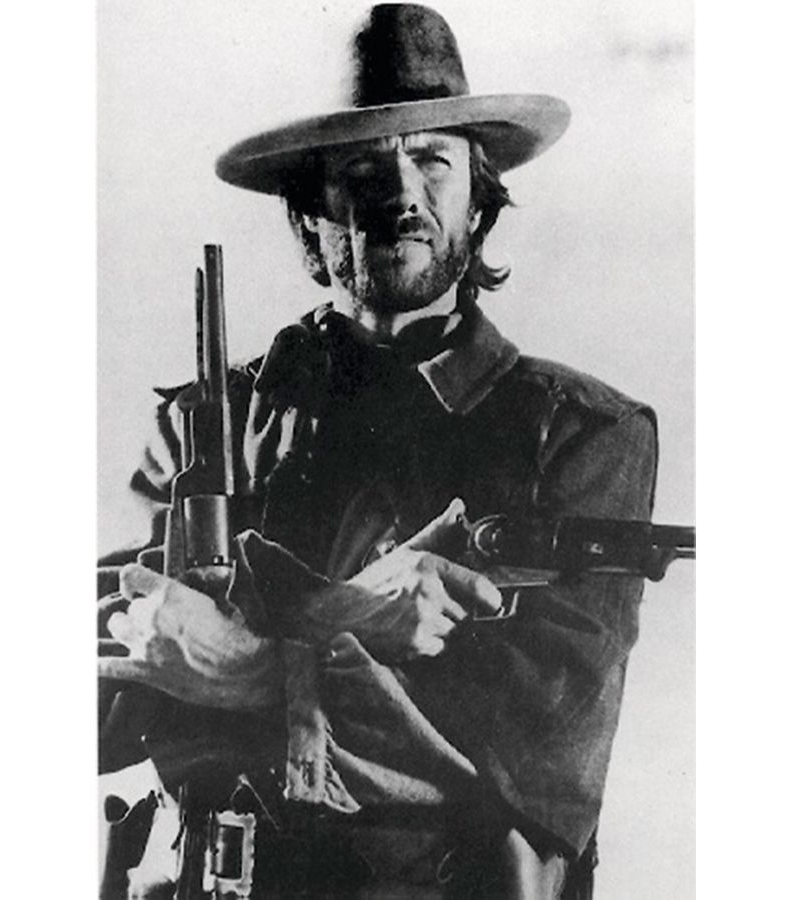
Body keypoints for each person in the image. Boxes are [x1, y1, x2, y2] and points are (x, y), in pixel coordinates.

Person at [99, 4, 659, 898]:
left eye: (433, 159)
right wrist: (353, 628)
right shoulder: (209, 422)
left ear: (479, 200)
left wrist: (245, 664)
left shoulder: (580, 435)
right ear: (308, 216)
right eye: (363, 168)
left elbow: (523, 766)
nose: (402, 194)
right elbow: (101, 681)